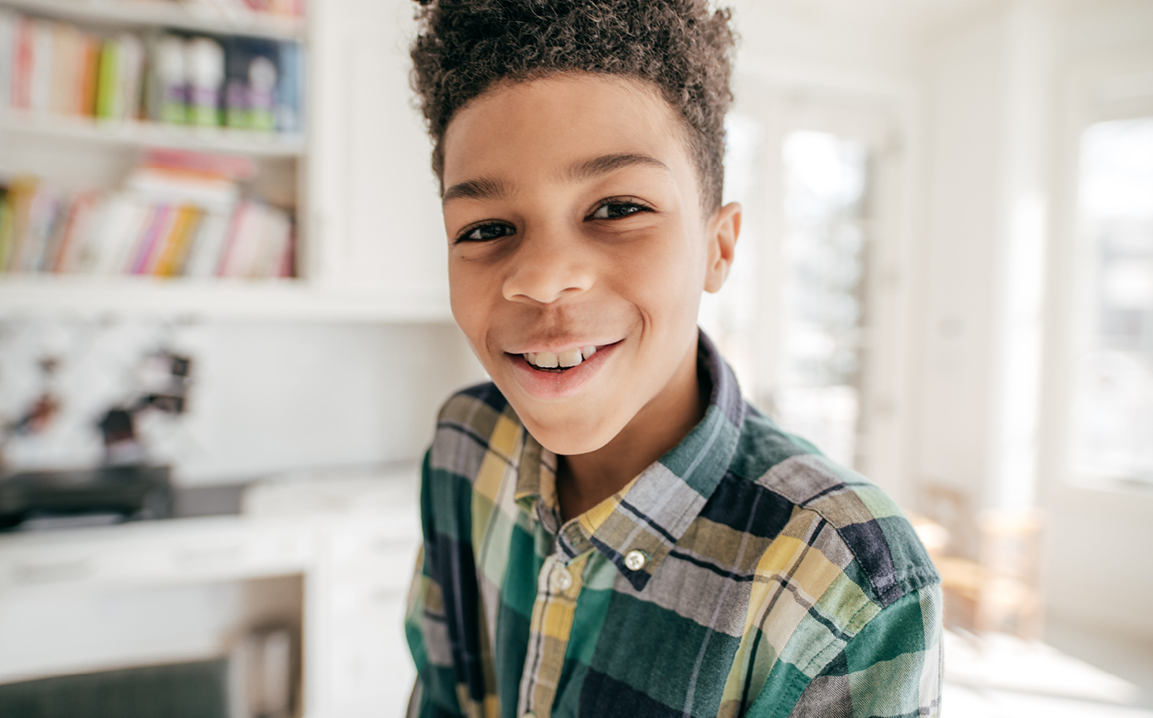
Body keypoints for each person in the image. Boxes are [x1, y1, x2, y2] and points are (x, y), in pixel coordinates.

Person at [403, 1, 943, 716]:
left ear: (718, 248)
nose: (540, 276)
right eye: (487, 227)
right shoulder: (463, 446)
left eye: (618, 208)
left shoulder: (844, 581)